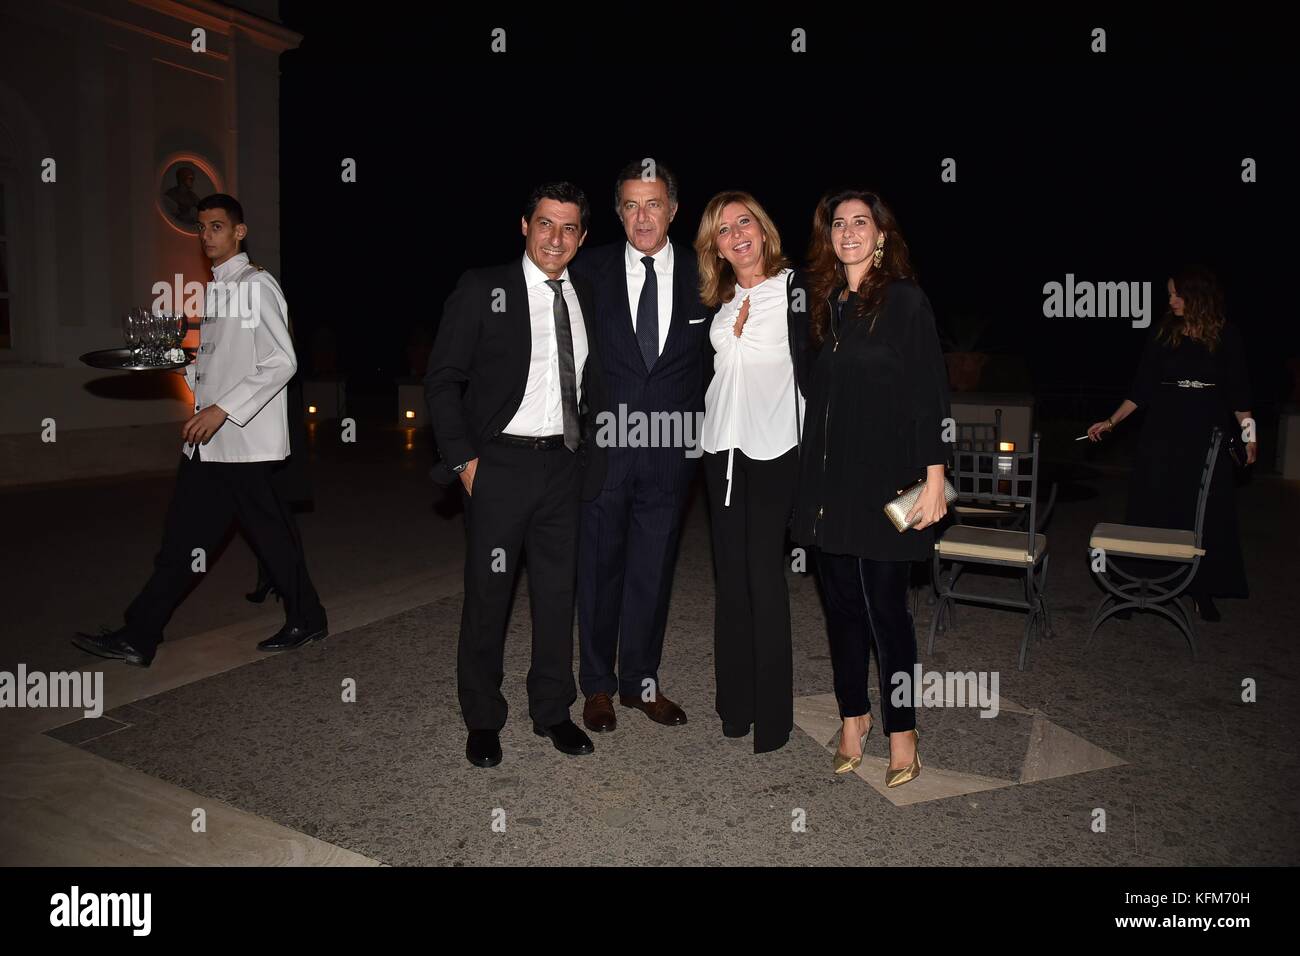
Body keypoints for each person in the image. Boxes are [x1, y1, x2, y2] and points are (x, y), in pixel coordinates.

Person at [74, 193, 328, 667]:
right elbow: (217, 366)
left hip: (242, 444)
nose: (206, 236)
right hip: (210, 446)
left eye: (216, 226)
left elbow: (282, 361)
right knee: (184, 542)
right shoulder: (216, 290)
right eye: (202, 228)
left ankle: (306, 618)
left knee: (268, 538)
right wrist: (180, 367)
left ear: (239, 232)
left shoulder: (255, 286)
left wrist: (221, 411)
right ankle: (140, 633)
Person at [425, 182, 607, 768]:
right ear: (524, 226)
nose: (557, 238)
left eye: (570, 227)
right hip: (499, 465)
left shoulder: (586, 295)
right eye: (546, 224)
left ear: (582, 236)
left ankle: (552, 709)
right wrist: (464, 461)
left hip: (564, 465)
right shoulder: (484, 288)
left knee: (557, 596)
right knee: (489, 596)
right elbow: (442, 379)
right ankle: (483, 717)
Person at [790, 189, 951, 787]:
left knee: (889, 611)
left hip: (888, 483)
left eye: (862, 222)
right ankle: (853, 718)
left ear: (881, 235)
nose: (849, 231)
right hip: (830, 484)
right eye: (839, 223)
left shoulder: (905, 301)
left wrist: (935, 478)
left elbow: (930, 392)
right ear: (828, 236)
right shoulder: (825, 304)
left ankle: (903, 730)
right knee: (841, 609)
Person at [569, 161, 709, 734]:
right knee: (599, 570)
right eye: (630, 205)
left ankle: (641, 684)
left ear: (674, 209)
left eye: (652, 204)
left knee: (653, 570)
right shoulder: (590, 268)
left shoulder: (709, 273)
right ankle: (597, 687)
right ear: (618, 212)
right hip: (606, 447)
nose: (641, 216)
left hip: (673, 452)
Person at [695, 191, 807, 754]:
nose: (736, 234)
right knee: (730, 585)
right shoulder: (718, 303)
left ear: (762, 230)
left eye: (744, 223)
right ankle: (733, 709)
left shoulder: (795, 291)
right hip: (722, 454)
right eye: (722, 229)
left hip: (775, 453)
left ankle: (773, 720)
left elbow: (818, 377)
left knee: (764, 582)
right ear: (714, 246)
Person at [1087, 265, 1254, 622]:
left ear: (1198, 296)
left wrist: (1249, 436)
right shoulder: (1163, 332)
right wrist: (1111, 421)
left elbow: (1240, 394)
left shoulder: (1228, 336)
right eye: (1170, 294)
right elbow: (1141, 390)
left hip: (1207, 433)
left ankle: (1201, 588)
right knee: (1151, 504)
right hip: (1162, 432)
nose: (1172, 300)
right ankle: (1135, 586)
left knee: (1204, 512)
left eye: (1177, 294)